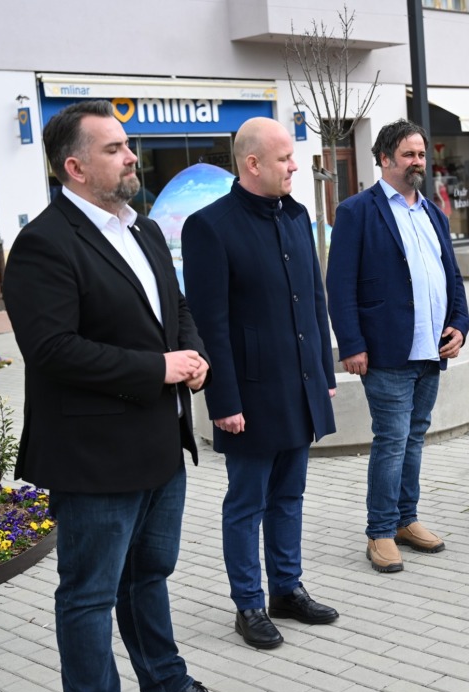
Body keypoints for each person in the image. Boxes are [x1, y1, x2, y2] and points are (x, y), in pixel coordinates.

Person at [2, 100, 246, 692]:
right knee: (89, 595)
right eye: (113, 149)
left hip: (161, 443)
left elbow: (176, 307)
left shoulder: (144, 229)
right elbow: (52, 350)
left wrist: (194, 355)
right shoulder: (43, 243)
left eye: (127, 144)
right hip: (95, 457)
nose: (131, 156)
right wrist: (158, 368)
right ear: (76, 167)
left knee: (149, 577)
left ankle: (167, 687)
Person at [182, 117, 339, 650]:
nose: (294, 166)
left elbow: (313, 301)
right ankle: (248, 603)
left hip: (299, 384)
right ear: (252, 164)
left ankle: (286, 589)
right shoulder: (210, 226)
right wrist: (223, 400)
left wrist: (323, 374)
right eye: (284, 158)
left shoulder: (295, 215)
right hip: (248, 393)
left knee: (290, 495)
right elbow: (210, 323)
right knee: (246, 503)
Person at [326, 119, 469, 573]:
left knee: (414, 437)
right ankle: (380, 531)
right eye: (409, 154)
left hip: (431, 349)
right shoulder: (356, 211)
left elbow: (452, 277)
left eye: (422, 154)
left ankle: (406, 519)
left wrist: (460, 324)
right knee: (391, 440)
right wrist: (351, 344)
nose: (418, 162)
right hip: (385, 350)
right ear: (385, 159)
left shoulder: (434, 214)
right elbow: (339, 284)